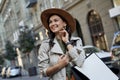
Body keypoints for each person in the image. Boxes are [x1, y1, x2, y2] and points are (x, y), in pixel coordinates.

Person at [38, 8, 85, 80]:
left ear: (64, 23)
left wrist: (67, 42)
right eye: (50, 22)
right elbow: (43, 72)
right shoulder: (45, 45)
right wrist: (59, 65)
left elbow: (80, 62)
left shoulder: (77, 41)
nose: (52, 24)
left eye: (56, 20)